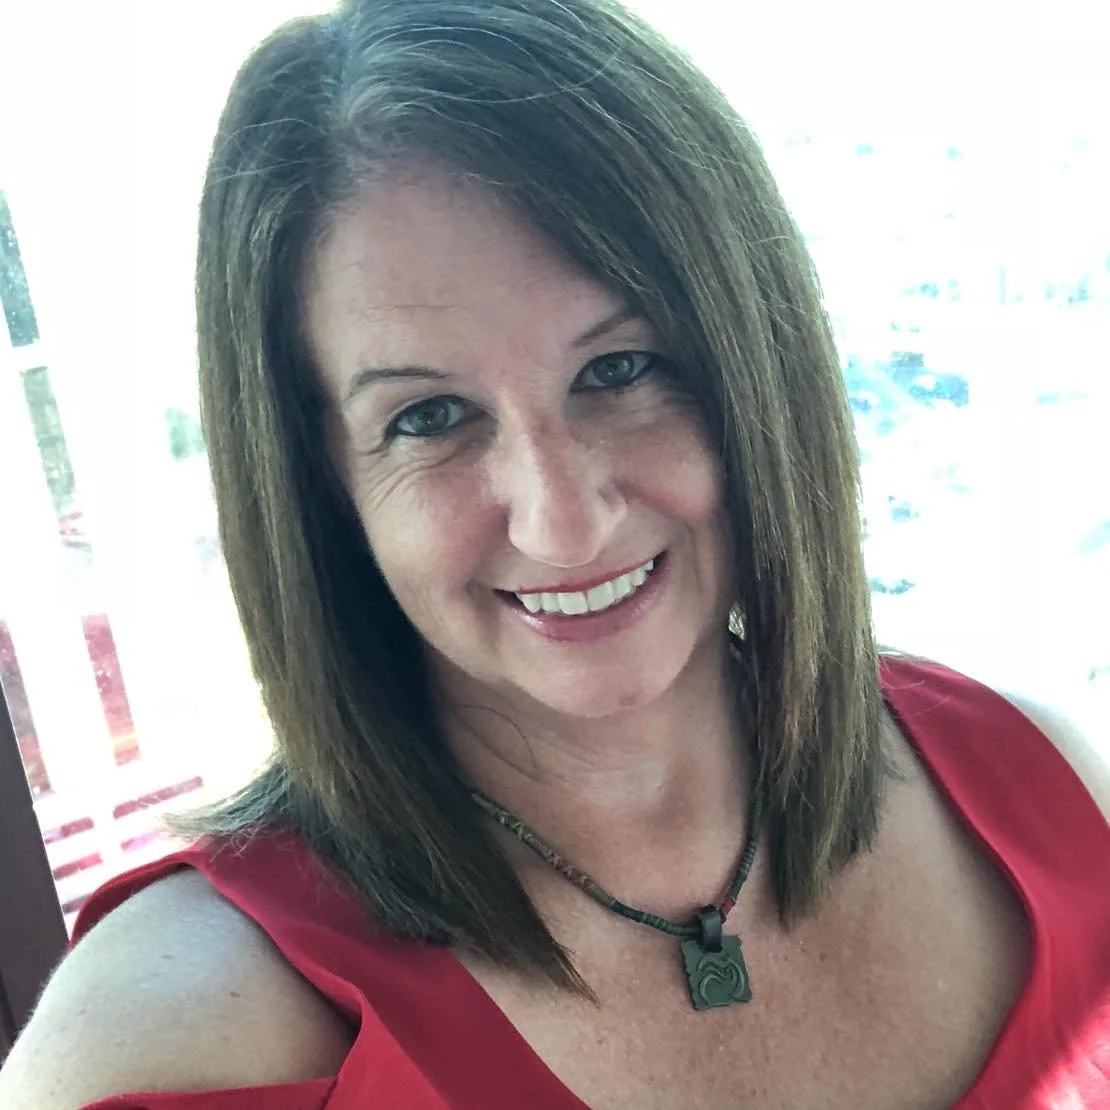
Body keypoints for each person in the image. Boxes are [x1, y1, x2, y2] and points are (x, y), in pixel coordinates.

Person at [2, 0, 1108, 1107]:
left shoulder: (1063, 791)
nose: (561, 522)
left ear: (760, 373)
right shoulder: (165, 1047)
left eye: (620, 369)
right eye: (430, 417)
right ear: (324, 487)